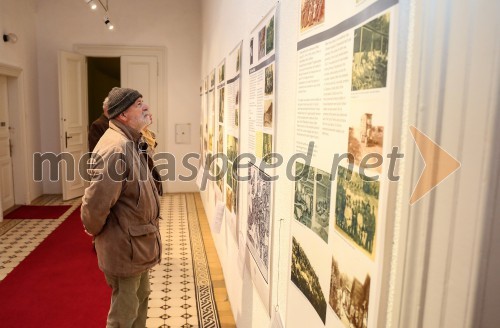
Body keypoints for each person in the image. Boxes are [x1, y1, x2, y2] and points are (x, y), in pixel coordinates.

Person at [81, 87, 162, 328]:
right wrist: (94, 230)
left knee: (140, 301)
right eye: (139, 104)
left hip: (138, 244)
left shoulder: (131, 140)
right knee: (123, 316)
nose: (145, 107)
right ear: (123, 115)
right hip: (125, 247)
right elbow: (95, 204)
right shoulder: (116, 148)